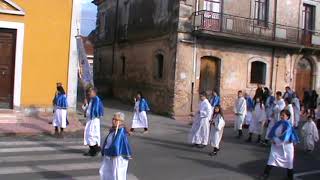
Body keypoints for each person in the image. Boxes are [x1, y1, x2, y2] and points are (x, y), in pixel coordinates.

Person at [260, 109, 299, 180]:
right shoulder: (278, 123)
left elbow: (286, 137)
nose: (281, 116)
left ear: (287, 117)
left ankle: (290, 177)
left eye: (283, 115)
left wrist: (277, 141)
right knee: (272, 159)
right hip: (276, 146)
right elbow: (272, 133)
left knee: (289, 162)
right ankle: (265, 174)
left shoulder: (288, 125)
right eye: (281, 115)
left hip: (286, 147)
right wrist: (273, 139)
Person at [100, 112, 132, 180]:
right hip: (110, 155)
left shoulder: (120, 131)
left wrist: (106, 151)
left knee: (117, 174)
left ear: (120, 121)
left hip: (117, 157)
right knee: (105, 172)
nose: (113, 121)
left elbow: (115, 146)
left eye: (115, 119)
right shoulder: (113, 130)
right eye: (113, 119)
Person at [83, 87, 104, 156]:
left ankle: (95, 149)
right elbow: (88, 110)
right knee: (88, 134)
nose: (89, 93)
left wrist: (88, 112)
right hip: (90, 120)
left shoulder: (97, 100)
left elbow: (97, 112)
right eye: (88, 92)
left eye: (90, 92)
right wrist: (85, 104)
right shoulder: (92, 100)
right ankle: (92, 149)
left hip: (94, 120)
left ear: (94, 93)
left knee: (92, 135)